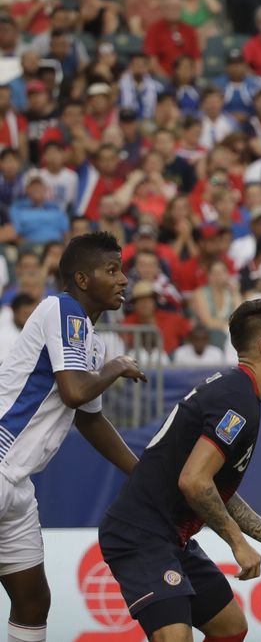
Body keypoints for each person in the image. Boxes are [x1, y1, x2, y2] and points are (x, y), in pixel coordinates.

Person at [99, 299, 261, 641]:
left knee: (230, 627)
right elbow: (194, 481)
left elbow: (209, 485)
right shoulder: (238, 399)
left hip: (172, 536)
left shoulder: (240, 392)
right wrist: (238, 543)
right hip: (140, 534)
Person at [0, 232, 146, 642]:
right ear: (82, 280)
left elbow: (89, 419)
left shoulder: (91, 343)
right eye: (111, 270)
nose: (123, 280)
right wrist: (117, 367)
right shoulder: (62, 308)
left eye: (122, 270)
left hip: (17, 483)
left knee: (33, 601)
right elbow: (75, 391)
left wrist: (141, 471)